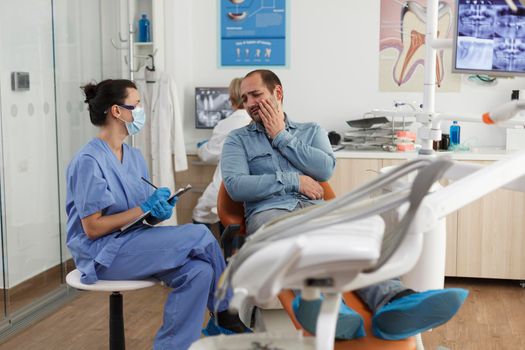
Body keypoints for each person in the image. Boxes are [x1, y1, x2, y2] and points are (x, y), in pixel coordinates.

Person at [221, 69, 468, 341]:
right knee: (294, 240)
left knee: (357, 238)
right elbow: (236, 185)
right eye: (245, 98)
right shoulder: (237, 140)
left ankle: (397, 301)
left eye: (256, 94)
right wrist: (294, 181)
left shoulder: (310, 131)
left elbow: (324, 169)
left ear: (277, 93)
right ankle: (329, 310)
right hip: (270, 214)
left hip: (316, 209)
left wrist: (281, 135)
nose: (250, 104)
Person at [65, 79, 247, 350]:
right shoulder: (89, 161)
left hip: (134, 243)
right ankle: (226, 313)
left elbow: (139, 216)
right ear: (117, 111)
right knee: (198, 233)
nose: (141, 111)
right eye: (136, 104)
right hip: (102, 254)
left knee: (200, 271)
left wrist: (157, 212)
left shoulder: (134, 156)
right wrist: (144, 209)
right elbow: (92, 228)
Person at [192, 78, 251, 230]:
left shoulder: (226, 124)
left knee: (201, 212)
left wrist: (202, 147)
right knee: (229, 216)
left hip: (226, 186)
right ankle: (230, 248)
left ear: (232, 98)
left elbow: (209, 155)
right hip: (251, 188)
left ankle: (211, 252)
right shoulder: (257, 120)